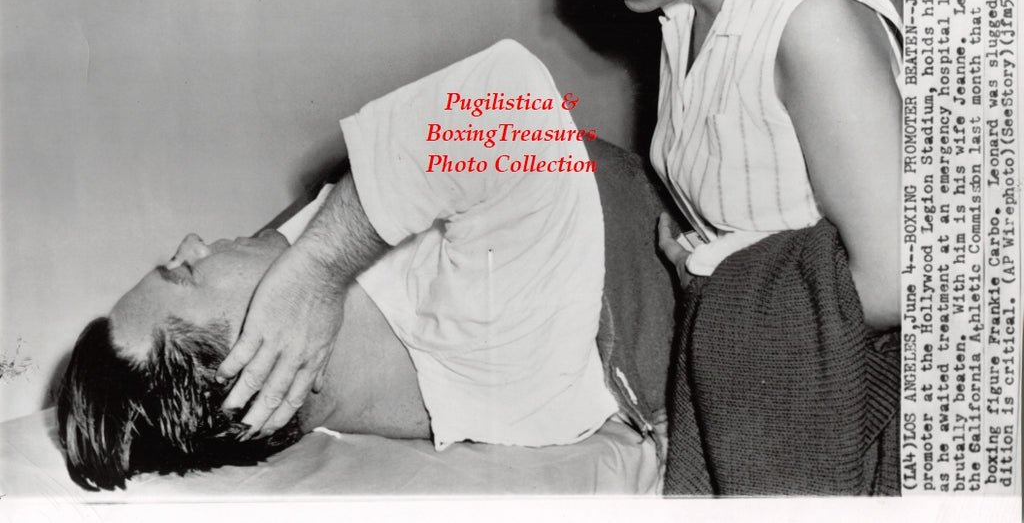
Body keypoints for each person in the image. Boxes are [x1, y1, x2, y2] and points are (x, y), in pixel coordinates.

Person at [58, 40, 638, 491]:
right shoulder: (490, 340)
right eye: (184, 271)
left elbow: (289, 238)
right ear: (262, 366)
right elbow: (509, 96)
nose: (190, 243)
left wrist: (307, 270)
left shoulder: (323, 349)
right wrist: (318, 269)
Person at [554, 0, 904, 494]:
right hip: (743, 341)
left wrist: (713, 279)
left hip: (839, 387)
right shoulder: (685, 10)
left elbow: (896, 284)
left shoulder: (813, 23)